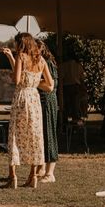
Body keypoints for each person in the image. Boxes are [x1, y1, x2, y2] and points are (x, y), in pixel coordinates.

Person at [1, 33, 53, 188]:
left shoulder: (21, 57)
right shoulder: (41, 60)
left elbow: (16, 79)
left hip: (21, 97)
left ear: (20, 44)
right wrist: (34, 82)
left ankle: (13, 177)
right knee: (34, 135)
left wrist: (13, 67)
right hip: (34, 98)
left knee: (15, 134)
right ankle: (33, 176)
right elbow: (50, 86)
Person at [37, 40, 59, 183]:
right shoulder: (39, 62)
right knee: (41, 135)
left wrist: (32, 81)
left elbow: (51, 85)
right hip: (40, 101)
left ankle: (50, 173)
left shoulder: (47, 63)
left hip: (47, 101)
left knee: (49, 134)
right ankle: (42, 168)